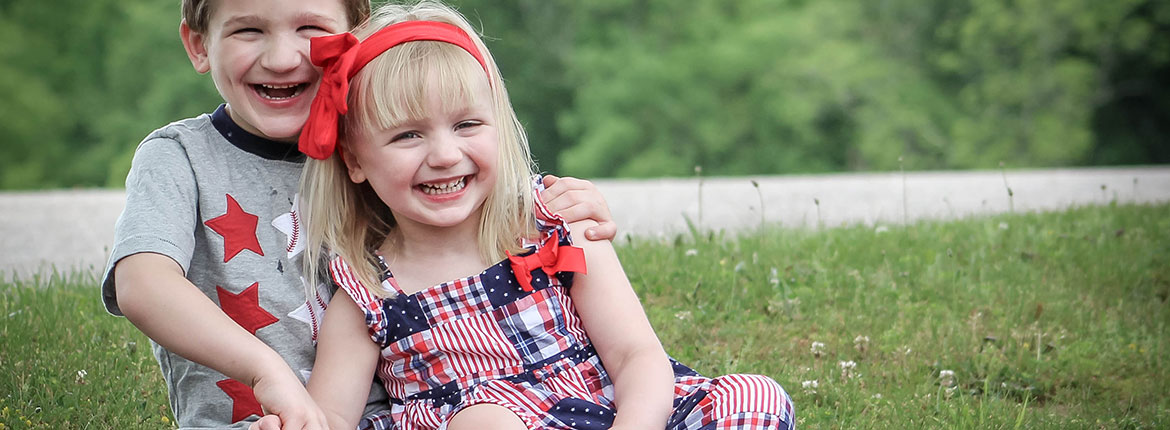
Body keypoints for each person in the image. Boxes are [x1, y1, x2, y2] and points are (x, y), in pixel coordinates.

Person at [277, 1, 796, 429]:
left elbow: (637, 355)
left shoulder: (554, 226)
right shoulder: (370, 290)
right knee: (485, 423)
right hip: (480, 422)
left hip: (615, 413)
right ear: (355, 160)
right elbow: (332, 418)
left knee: (754, 396)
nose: (443, 155)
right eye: (407, 135)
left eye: (467, 124)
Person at [100, 0, 617, 428]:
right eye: (248, 30)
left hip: (419, 412)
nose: (282, 58)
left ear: (356, 36)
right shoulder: (181, 156)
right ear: (197, 44)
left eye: (310, 29)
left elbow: (479, 193)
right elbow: (143, 285)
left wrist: (562, 203)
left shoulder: (387, 138)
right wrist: (264, 371)